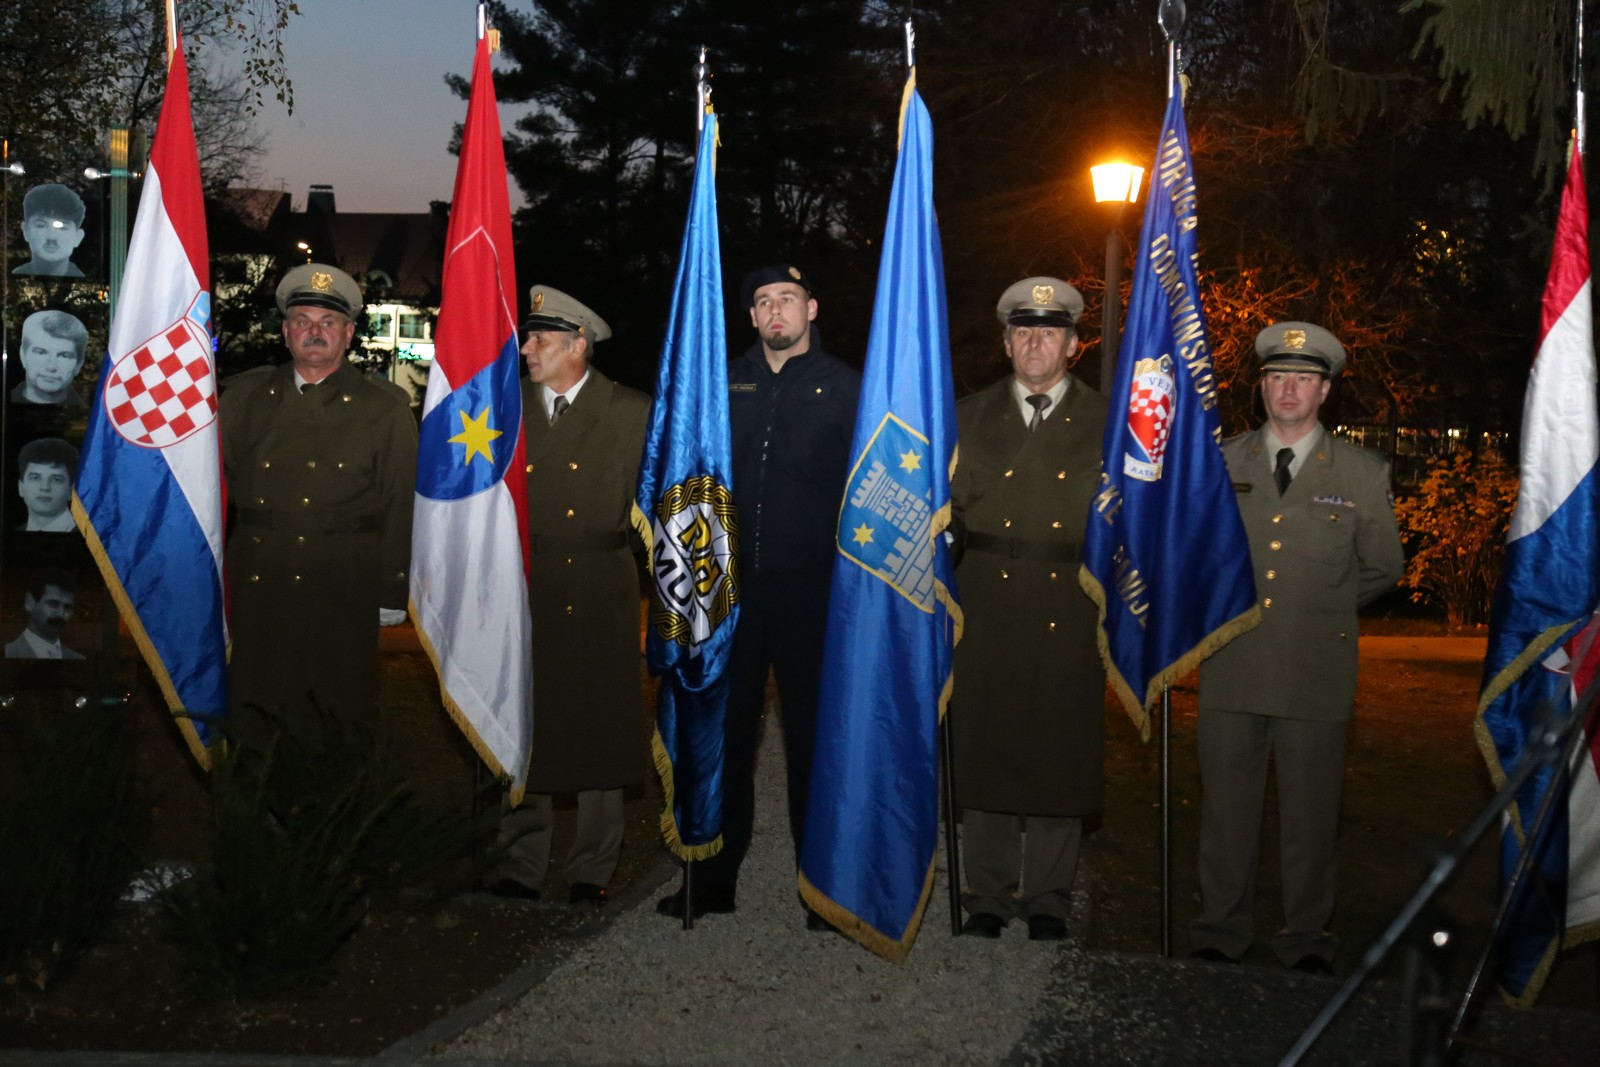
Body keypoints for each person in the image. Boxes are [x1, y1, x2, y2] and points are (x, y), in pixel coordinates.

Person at [1190, 322, 1404, 974]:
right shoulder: (1222, 463)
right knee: (1226, 810)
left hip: (1316, 666)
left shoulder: (1363, 474)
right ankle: (1220, 929)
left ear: (1325, 391)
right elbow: (1196, 554)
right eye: (1277, 377)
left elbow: (1384, 566)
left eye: (1303, 378)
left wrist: (1324, 606)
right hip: (1234, 661)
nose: (1289, 389)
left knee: (1311, 813)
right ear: (1261, 387)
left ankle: (1306, 935)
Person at [655, 263, 861, 926]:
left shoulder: (849, 388)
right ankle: (710, 877)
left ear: (812, 307)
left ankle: (823, 889)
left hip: (814, 594)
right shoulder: (720, 385)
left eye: (788, 299)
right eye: (763, 301)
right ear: (749, 316)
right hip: (726, 595)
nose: (776, 311)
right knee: (721, 736)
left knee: (814, 744)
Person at [947, 277, 1108, 941]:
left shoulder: (1109, 420)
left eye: (1049, 332)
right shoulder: (964, 414)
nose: (1034, 342)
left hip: (1069, 600)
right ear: (1005, 342)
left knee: (1058, 745)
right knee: (982, 740)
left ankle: (1047, 893)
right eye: (1022, 331)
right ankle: (985, 891)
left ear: (1073, 344)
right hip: (984, 594)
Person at [488, 285, 651, 906]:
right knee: (524, 715)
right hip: (524, 582)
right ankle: (520, 860)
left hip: (598, 580)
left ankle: (591, 866)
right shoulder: (504, 410)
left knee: (599, 719)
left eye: (541, 340)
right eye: (528, 338)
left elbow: (663, 504)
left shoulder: (632, 411)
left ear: (579, 346)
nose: (527, 349)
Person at [218, 263, 417, 741]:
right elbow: (214, 488)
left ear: (348, 335)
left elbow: (399, 504)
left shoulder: (383, 408)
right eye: (303, 321)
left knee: (335, 711)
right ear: (285, 333)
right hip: (259, 580)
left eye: (328, 323)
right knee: (253, 706)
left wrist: (391, 593)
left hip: (342, 586)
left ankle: (336, 810)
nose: (315, 332)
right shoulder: (244, 397)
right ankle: (254, 812)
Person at [13, 309, 88, 408]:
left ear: (79, 364)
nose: (51, 366)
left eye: (64, 356)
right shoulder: (5, 405)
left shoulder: (93, 418)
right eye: (41, 353)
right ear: (23, 356)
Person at [5, 566, 84, 659]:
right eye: (53, 605)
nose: (61, 613)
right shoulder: (8, 653)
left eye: (67, 607)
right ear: (29, 603)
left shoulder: (78, 659)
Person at [14, 183, 88, 277]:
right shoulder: (10, 278)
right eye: (41, 225)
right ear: (25, 231)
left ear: (78, 237)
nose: (51, 236)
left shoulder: (90, 283)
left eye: (62, 227)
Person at [15, 437, 79, 532]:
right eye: (35, 478)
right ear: (21, 487)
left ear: (71, 490)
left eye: (56, 479)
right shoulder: (10, 538)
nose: (45, 487)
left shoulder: (92, 541)